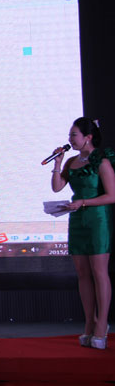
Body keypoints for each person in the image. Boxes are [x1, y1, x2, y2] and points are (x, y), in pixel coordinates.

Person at [50, 117, 115, 349]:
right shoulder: (71, 161)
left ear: (88, 137)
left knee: (99, 272)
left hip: (97, 219)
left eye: (73, 135)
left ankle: (102, 324)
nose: (70, 139)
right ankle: (89, 322)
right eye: (70, 135)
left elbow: (112, 195)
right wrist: (58, 164)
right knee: (83, 273)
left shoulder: (101, 161)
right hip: (77, 219)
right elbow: (57, 187)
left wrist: (84, 202)